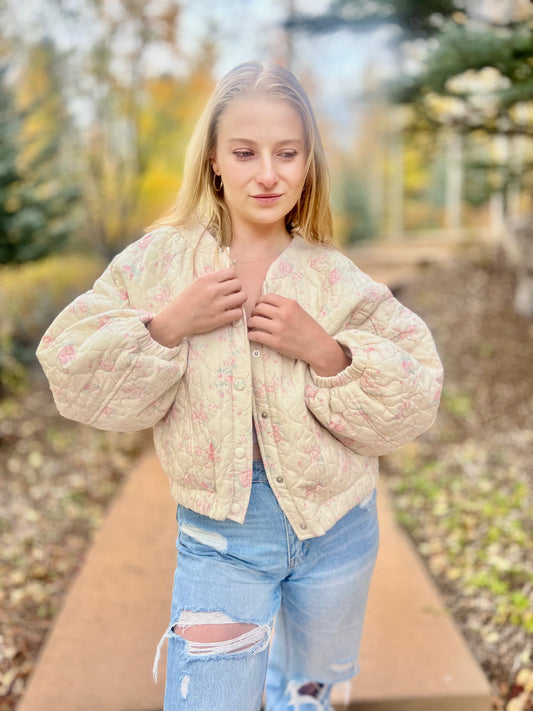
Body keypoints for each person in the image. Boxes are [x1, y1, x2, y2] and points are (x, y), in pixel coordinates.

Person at [37, 60, 443, 711]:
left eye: (287, 153)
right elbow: (67, 362)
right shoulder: (160, 263)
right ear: (215, 160)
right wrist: (166, 325)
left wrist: (329, 351)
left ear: (308, 162)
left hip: (337, 527)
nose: (267, 173)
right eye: (245, 152)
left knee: (306, 697)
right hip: (222, 537)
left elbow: (418, 390)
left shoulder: (331, 277)